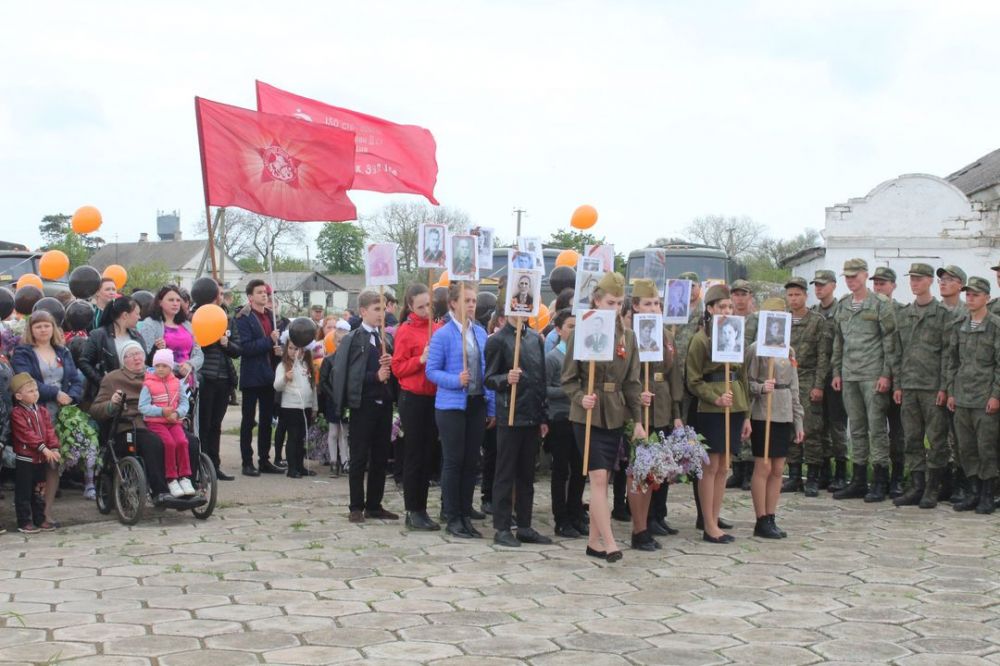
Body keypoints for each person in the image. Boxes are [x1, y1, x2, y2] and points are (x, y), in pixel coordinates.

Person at [562, 272, 645, 562]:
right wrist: (579, 397)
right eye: (610, 302)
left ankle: (593, 543)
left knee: (605, 479)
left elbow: (633, 383)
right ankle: (610, 543)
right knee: (597, 477)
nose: (615, 308)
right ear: (596, 300)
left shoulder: (629, 337)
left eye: (620, 303)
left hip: (615, 412)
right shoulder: (581, 331)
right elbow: (568, 378)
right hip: (587, 413)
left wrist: (638, 421)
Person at [426, 282, 496, 538]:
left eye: (474, 301)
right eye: (466, 300)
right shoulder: (443, 335)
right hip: (451, 405)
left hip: (476, 403)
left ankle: (466, 513)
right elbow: (431, 371)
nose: (471, 305)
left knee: (471, 462)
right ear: (453, 303)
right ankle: (452, 515)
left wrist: (490, 404)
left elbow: (486, 370)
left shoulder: (479, 333)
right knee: (454, 461)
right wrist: (456, 380)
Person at [686, 284, 752, 544]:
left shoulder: (736, 335)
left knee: (725, 465)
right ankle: (708, 523)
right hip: (711, 408)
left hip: (734, 404)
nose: (726, 310)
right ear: (710, 309)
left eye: (729, 306)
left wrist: (746, 413)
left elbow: (743, 375)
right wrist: (714, 396)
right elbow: (692, 380)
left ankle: (715, 516)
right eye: (721, 306)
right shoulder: (701, 339)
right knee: (710, 466)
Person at [831, 258, 899, 503]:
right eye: (847, 277)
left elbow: (890, 343)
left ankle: (880, 479)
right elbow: (838, 342)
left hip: (873, 375)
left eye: (855, 276)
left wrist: (886, 374)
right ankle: (858, 479)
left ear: (865, 276)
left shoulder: (880, 304)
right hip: (850, 375)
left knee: (877, 428)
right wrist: (837, 372)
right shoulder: (843, 305)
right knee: (856, 429)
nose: (851, 281)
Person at [484, 303, 552, 548]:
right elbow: (489, 379)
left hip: (532, 415)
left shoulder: (536, 339)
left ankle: (524, 524)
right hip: (509, 416)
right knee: (505, 474)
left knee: (527, 474)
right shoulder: (497, 341)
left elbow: (540, 380)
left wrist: (543, 416)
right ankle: (502, 527)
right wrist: (505, 378)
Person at [329, 290, 397, 523]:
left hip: (384, 404)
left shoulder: (385, 339)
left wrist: (391, 368)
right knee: (359, 456)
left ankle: (374, 504)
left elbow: (391, 373)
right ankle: (356, 505)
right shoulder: (353, 339)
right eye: (376, 309)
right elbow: (346, 376)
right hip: (363, 404)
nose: (381, 314)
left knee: (380, 456)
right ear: (363, 311)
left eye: (383, 309)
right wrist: (374, 376)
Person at [12, 310, 84, 519]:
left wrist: (71, 396)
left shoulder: (62, 351)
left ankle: (47, 511)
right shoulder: (23, 352)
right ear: (31, 330)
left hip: (63, 412)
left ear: (53, 328)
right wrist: (55, 393)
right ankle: (32, 512)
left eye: (47, 325)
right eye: (38, 326)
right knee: (37, 462)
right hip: (36, 412)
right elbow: (27, 381)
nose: (43, 330)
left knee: (54, 461)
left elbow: (75, 378)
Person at [630, 279, 684, 549]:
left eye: (657, 304)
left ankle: (659, 514)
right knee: (644, 466)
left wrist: (676, 411)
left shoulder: (666, 335)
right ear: (636, 307)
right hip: (642, 402)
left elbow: (674, 376)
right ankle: (644, 518)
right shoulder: (631, 334)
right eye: (648, 303)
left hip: (662, 403)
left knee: (662, 464)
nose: (654, 308)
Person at [892, 263, 951, 508]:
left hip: (932, 386)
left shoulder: (943, 314)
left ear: (929, 281)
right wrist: (898, 384)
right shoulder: (905, 314)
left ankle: (933, 488)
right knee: (912, 438)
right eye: (912, 279)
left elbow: (949, 354)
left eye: (919, 279)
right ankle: (916, 485)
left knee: (937, 439)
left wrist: (944, 387)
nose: (914, 283)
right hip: (909, 385)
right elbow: (897, 351)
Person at [90, 341, 178, 503]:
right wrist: (112, 404)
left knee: (188, 440)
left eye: (139, 354)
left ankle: (188, 484)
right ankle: (161, 491)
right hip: (131, 426)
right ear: (123, 360)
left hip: (162, 421)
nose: (136, 359)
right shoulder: (113, 378)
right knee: (154, 442)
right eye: (130, 356)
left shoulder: (158, 373)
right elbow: (95, 410)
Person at [746, 298, 804, 539]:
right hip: (762, 412)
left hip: (783, 412)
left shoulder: (788, 351)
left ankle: (771, 515)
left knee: (779, 467)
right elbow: (747, 383)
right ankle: (760, 518)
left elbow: (794, 388)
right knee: (764, 465)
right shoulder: (755, 349)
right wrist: (761, 387)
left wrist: (798, 420)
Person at [946, 276, 999, 514]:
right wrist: (951, 392)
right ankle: (973, 491)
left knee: (986, 447)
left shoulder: (995, 326)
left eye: (975, 295)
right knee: (965, 447)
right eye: (968, 295)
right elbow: (952, 361)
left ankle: (988, 493)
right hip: (963, 397)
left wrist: (996, 395)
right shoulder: (960, 324)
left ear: (986, 298)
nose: (970, 299)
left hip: (984, 397)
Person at [390, 284, 441, 531]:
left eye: (428, 305)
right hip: (413, 397)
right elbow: (398, 368)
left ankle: (423, 507)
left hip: (435, 396)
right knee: (414, 455)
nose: (425, 310)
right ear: (410, 307)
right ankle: (413, 509)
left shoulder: (438, 327)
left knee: (429, 454)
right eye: (420, 307)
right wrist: (420, 359)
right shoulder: (405, 331)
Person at [781, 277, 830, 497]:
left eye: (797, 295)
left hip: (808, 378)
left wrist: (819, 385)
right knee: (790, 427)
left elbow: (823, 357)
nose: (793, 299)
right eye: (790, 295)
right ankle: (793, 475)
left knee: (811, 429)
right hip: (786, 380)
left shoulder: (817, 321)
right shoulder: (781, 321)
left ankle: (812, 477)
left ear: (805, 296)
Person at [545, 309, 587, 538]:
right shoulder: (552, 358)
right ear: (559, 330)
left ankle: (576, 513)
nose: (574, 330)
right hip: (560, 418)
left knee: (580, 469)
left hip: (579, 417)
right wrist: (571, 390)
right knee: (561, 470)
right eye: (570, 326)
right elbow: (544, 389)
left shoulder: (584, 355)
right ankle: (561, 519)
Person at [235, 279, 283, 476]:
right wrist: (268, 341)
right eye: (260, 292)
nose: (264, 295)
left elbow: (272, 345)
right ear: (250, 297)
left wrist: (277, 349)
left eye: (265, 292)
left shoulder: (271, 316)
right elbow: (245, 348)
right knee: (248, 420)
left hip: (269, 374)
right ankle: (247, 461)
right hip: (252, 375)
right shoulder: (243, 318)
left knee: (266, 420)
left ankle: (265, 459)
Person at [196, 289, 241, 482]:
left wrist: (227, 343)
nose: (220, 296)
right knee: (204, 425)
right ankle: (202, 464)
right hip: (206, 377)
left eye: (222, 294)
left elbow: (238, 349)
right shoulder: (196, 316)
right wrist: (211, 338)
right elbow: (197, 344)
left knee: (216, 425)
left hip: (224, 378)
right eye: (218, 293)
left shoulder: (228, 319)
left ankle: (215, 465)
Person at [811, 269, 849, 492]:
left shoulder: (841, 311)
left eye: (823, 285)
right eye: (816, 285)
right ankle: (824, 470)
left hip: (835, 377)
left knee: (837, 425)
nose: (819, 288)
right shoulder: (814, 313)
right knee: (819, 425)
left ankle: (841, 472)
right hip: (817, 376)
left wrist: (838, 373)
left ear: (833, 286)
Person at [138, 349, 194, 498]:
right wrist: (162, 411)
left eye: (164, 366)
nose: (160, 369)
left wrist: (177, 413)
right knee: (169, 444)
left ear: (170, 367)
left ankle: (185, 476)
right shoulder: (148, 384)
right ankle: (171, 478)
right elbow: (142, 407)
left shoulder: (176, 382)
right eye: (157, 366)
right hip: (156, 423)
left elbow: (184, 403)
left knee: (182, 441)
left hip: (174, 421)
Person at [10, 372, 61, 533]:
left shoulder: (42, 411)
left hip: (41, 458)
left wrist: (53, 447)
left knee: (39, 489)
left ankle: (40, 519)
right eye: (30, 391)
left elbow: (49, 430)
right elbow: (26, 435)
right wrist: (43, 448)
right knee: (24, 491)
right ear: (18, 396)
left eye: (36, 390)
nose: (35, 394)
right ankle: (24, 521)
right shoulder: (17, 413)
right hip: (26, 458)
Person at [870, 266, 906, 498]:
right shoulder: (869, 311)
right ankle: (879, 478)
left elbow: (899, 349)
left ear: (893, 285)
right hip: (873, 381)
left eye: (883, 283)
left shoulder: (903, 312)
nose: (879, 287)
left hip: (897, 381)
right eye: (876, 283)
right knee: (877, 431)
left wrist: (894, 377)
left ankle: (898, 479)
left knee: (898, 433)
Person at [936, 264, 969, 503]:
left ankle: (963, 484)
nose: (943, 283)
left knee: (960, 438)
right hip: (931, 381)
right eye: (941, 279)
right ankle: (943, 482)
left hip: (960, 384)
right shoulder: (933, 311)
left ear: (960, 284)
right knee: (938, 436)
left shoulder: (969, 312)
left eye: (949, 279)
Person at [79, 296, 146, 405]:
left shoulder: (137, 336)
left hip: (134, 391)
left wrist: (156, 349)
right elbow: (84, 362)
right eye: (137, 313)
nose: (139, 317)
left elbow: (145, 362)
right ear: (125, 315)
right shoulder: (98, 335)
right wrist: (103, 381)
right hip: (107, 395)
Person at [137, 286, 204, 391]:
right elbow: (145, 357)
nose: (175, 303)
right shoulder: (150, 324)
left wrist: (190, 365)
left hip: (188, 383)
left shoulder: (187, 325)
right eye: (171, 300)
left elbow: (199, 354)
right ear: (160, 302)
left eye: (178, 300)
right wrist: (180, 368)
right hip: (162, 385)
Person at [274, 339, 317, 479]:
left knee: (302, 438)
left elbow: (312, 387)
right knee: (293, 437)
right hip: (290, 407)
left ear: (303, 351)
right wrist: (286, 378)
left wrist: (314, 406)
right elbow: (277, 386)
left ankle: (300, 466)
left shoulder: (306, 365)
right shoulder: (283, 366)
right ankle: (292, 468)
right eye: (291, 348)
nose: (294, 352)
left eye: (297, 349)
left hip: (306, 406)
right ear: (287, 349)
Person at [318, 320, 352, 477]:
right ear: (334, 342)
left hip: (346, 401)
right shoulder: (328, 360)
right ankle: (333, 461)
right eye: (338, 341)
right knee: (333, 432)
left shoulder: (351, 361)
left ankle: (345, 461)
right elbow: (323, 382)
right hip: (333, 401)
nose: (341, 344)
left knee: (344, 433)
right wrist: (334, 396)